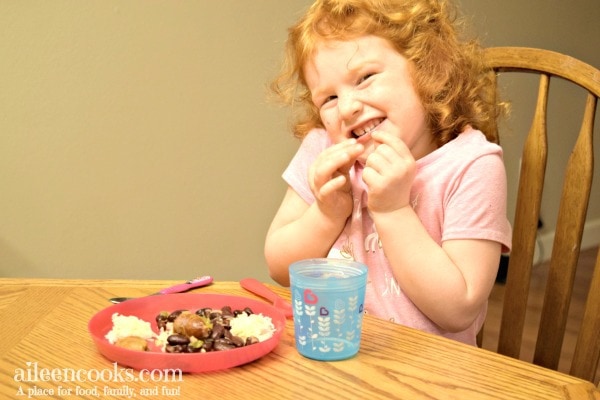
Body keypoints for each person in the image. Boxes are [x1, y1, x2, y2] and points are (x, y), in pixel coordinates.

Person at [264, 0, 512, 346]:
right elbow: (279, 267)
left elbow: (459, 309)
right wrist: (327, 213)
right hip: (331, 360)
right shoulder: (324, 151)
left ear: (426, 69)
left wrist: (393, 210)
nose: (348, 107)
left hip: (428, 376)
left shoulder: (471, 165)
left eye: (364, 78)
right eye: (329, 98)